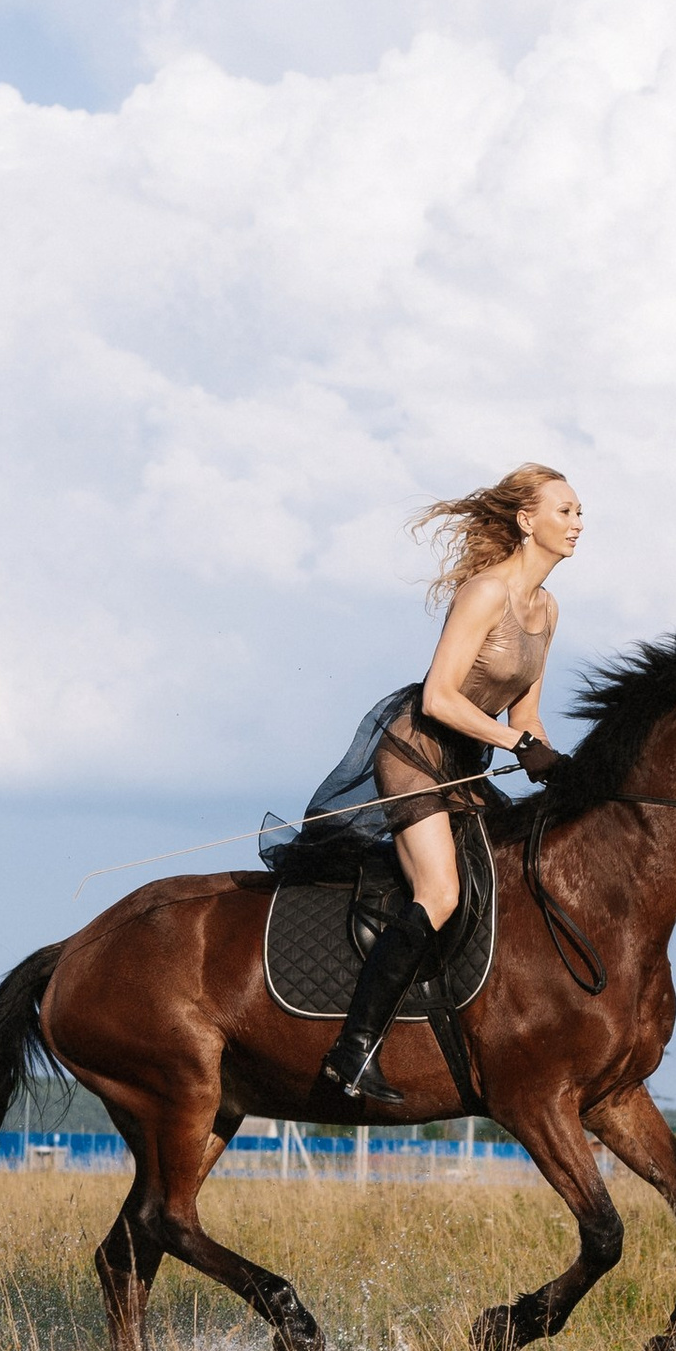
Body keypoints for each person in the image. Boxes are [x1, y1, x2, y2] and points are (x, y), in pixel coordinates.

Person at [276, 464, 583, 1105]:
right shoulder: (486, 594)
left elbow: (524, 714)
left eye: (580, 514)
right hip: (415, 747)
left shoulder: (547, 609)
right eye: (565, 511)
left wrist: (560, 766)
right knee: (440, 892)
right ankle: (353, 1050)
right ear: (528, 522)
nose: (577, 524)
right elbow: (441, 697)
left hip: (467, 758)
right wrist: (519, 746)